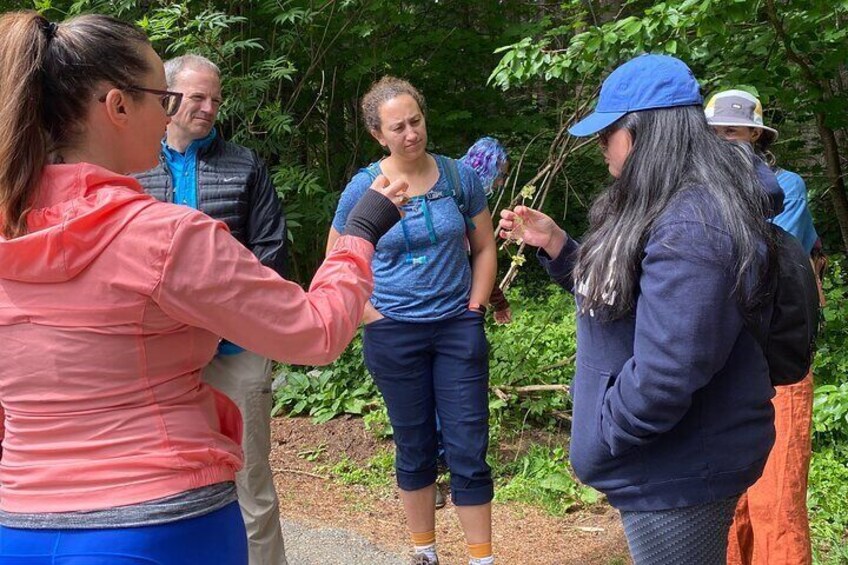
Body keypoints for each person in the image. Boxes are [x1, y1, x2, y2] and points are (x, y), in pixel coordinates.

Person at [0, 11, 405, 564]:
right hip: (160, 523)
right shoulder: (164, 235)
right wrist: (360, 233)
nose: (170, 112)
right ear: (119, 106)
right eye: (161, 99)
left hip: (17, 523)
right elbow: (316, 331)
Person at [498, 54, 779, 564]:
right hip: (666, 463)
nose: (601, 145)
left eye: (609, 133)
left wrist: (605, 433)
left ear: (647, 132)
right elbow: (633, 298)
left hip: (678, 471)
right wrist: (560, 247)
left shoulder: (694, 222)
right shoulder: (673, 205)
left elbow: (669, 371)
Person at [326, 76, 498, 565]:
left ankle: (481, 558)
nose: (410, 134)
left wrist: (474, 309)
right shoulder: (366, 187)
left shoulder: (459, 177)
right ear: (379, 135)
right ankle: (425, 553)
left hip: (455, 327)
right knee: (415, 443)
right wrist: (370, 317)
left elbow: (484, 247)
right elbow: (338, 257)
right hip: (392, 332)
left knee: (468, 445)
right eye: (397, 127)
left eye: (416, 121)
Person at [135, 54, 288, 565]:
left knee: (251, 484)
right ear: (168, 97)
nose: (208, 108)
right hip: (150, 354)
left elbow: (271, 252)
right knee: (154, 481)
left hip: (234, 349)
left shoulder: (244, 164)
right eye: (198, 97)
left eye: (215, 99)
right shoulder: (130, 161)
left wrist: (230, 317)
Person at [705, 88, 818, 565]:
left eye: (734, 130)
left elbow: (765, 259)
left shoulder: (785, 186)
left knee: (776, 498)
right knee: (723, 502)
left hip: (776, 360)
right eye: (716, 131)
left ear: (756, 133)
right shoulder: (695, 189)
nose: (726, 139)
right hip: (719, 360)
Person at [460, 136, 512, 325]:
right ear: (487, 170)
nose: (501, 183)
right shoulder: (466, 202)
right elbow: (476, 256)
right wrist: (499, 302)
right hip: (455, 303)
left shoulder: (453, 187)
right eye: (501, 175)